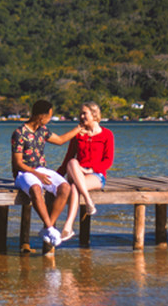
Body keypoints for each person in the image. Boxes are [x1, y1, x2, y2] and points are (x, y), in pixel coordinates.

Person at [11, 99, 81, 247]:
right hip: (24, 172)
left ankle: (47, 227)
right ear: (41, 116)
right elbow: (18, 163)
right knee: (36, 189)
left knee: (65, 188)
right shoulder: (19, 133)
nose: (50, 119)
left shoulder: (42, 130)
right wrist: (37, 175)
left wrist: (79, 128)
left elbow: (61, 140)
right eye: (49, 116)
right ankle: (50, 228)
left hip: (41, 169)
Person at [57, 101, 113, 224]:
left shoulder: (107, 134)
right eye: (80, 114)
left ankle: (68, 226)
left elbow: (108, 161)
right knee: (72, 162)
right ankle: (88, 201)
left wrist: (90, 170)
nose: (81, 117)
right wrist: (56, 177)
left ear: (94, 114)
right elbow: (68, 158)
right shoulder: (77, 134)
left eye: (84, 113)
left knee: (74, 187)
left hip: (96, 175)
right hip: (77, 172)